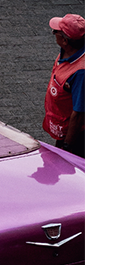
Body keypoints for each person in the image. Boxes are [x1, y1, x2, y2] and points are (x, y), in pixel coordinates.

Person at [43, 13, 85, 157]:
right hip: (63, 131)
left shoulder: (81, 73)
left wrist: (67, 148)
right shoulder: (66, 53)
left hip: (77, 139)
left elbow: (79, 113)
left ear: (65, 41)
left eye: (56, 32)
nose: (54, 34)